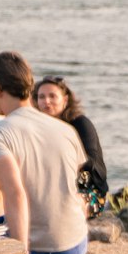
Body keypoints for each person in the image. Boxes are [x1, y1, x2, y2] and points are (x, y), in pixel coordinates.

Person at [0, 51, 118, 254]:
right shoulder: (65, 128)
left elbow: (14, 192)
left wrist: (19, 253)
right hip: (73, 241)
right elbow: (76, 183)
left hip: (38, 243)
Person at [35, 77, 106, 211]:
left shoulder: (80, 123)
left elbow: (91, 162)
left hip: (88, 191)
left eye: (52, 96)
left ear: (65, 100)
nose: (46, 102)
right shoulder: (38, 127)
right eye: (41, 97)